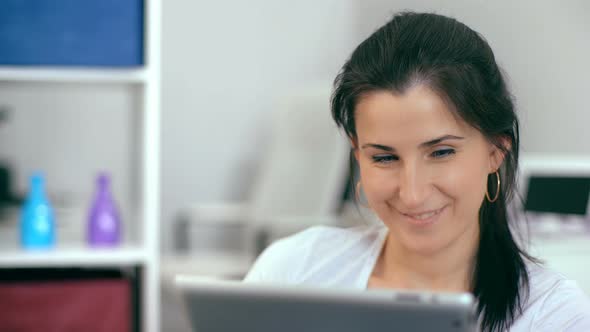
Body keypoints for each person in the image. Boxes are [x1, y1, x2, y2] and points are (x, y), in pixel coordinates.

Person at [243, 11, 590, 331]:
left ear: (496, 151)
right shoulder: (292, 271)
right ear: (358, 155)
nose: (412, 193)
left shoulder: (551, 314)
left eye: (440, 152)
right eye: (384, 158)